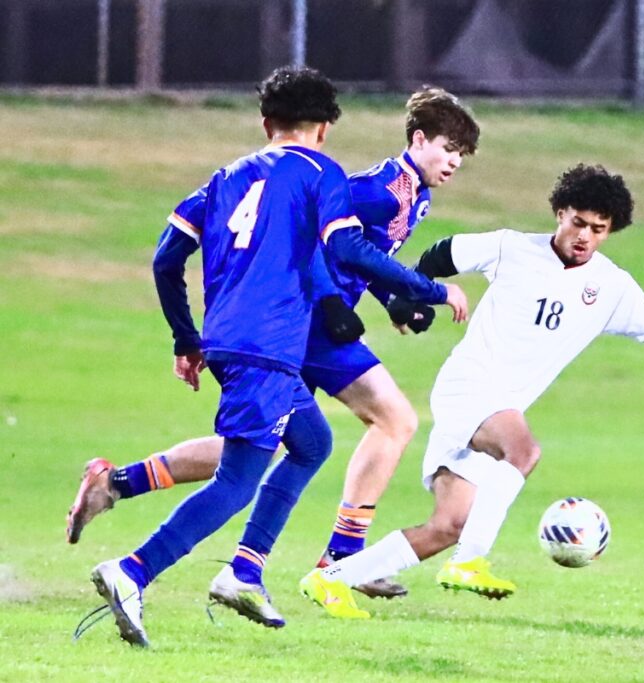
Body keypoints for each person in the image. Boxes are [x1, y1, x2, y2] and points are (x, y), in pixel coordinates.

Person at [87, 67, 468, 647]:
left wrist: (185, 339)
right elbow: (343, 247)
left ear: (266, 122)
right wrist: (431, 289)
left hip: (233, 339)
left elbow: (167, 260)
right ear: (326, 128)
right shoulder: (325, 174)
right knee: (238, 479)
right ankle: (134, 571)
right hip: (271, 342)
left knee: (310, 442)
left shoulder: (223, 178)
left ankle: (241, 569)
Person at [297, 163, 644, 619]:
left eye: (599, 229)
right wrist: (410, 296)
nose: (585, 236)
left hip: (497, 408)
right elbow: (445, 252)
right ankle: (469, 564)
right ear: (560, 212)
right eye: (578, 222)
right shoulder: (512, 247)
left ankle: (330, 579)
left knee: (448, 526)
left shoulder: (611, 286)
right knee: (524, 452)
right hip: (471, 387)